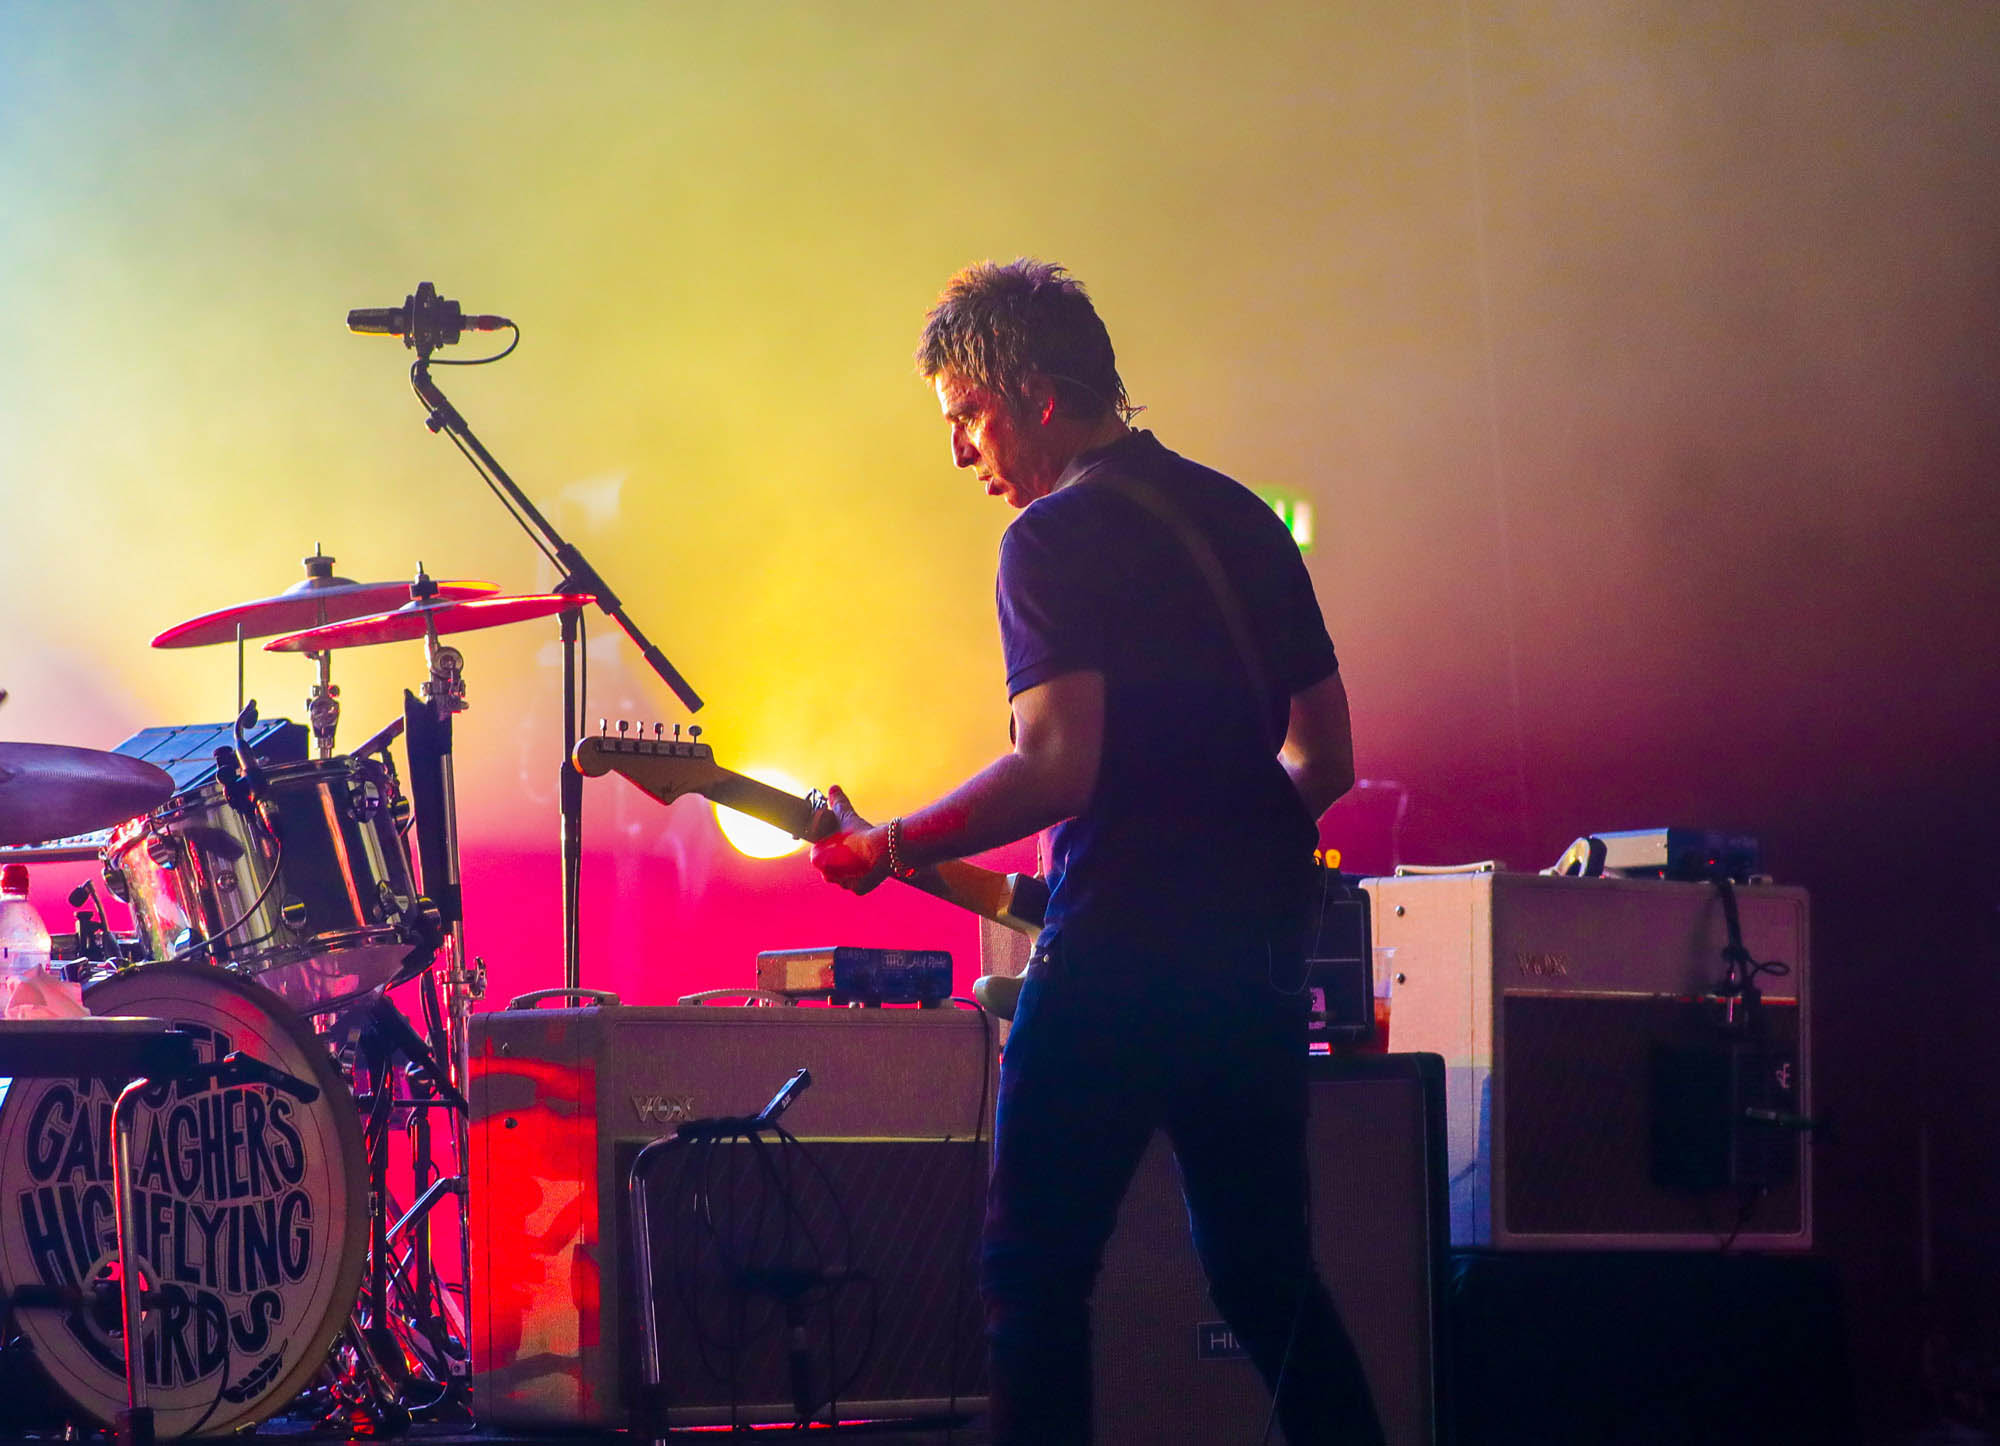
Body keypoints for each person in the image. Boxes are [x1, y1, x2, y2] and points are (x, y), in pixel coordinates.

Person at [809, 259, 1381, 1445]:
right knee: (1263, 1277)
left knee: (1032, 1275)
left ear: (1033, 397)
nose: (962, 452)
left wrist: (890, 841)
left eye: (966, 417)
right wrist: (1223, 852)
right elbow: (1320, 760)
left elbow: (1056, 765)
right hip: (1255, 957)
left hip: (1117, 958)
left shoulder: (1051, 539)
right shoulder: (1237, 515)